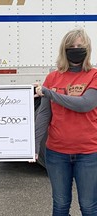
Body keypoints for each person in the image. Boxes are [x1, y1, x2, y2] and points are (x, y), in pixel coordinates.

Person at [35, 28, 97, 216]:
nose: (75, 49)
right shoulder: (53, 77)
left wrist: (50, 93)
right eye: (71, 46)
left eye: (80, 46)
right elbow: (44, 115)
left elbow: (85, 104)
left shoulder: (94, 75)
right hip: (56, 153)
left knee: (88, 206)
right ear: (64, 49)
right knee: (60, 206)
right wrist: (34, 145)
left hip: (88, 153)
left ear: (87, 48)